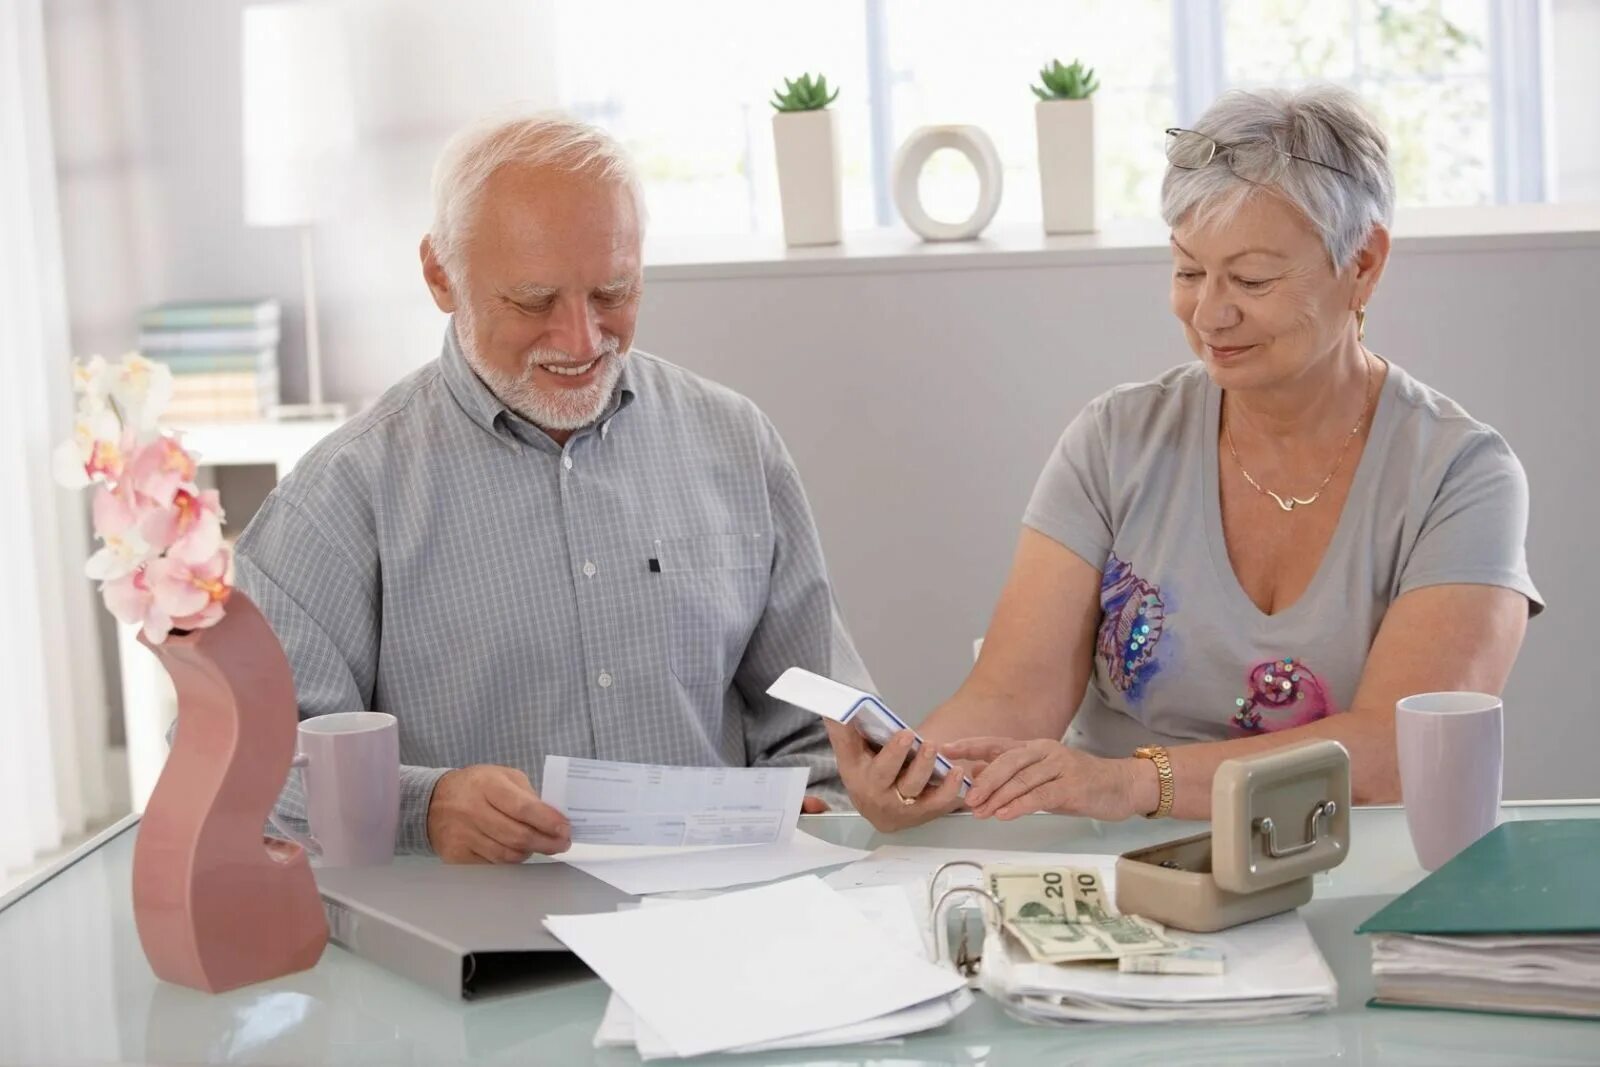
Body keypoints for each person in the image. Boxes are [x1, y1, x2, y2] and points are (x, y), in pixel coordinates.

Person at [831, 85, 1542, 830]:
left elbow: (1394, 758)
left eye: (1252, 279)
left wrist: (1135, 783)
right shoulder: (1115, 439)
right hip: (1107, 864)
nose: (1210, 313)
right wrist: (917, 769)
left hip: (1336, 864)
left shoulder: (1462, 477)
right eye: (1189, 271)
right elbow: (1013, 696)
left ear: (1363, 263)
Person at [237, 113, 868, 862]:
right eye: (534, 302)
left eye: (613, 292)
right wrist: (425, 806)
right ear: (441, 275)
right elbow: (249, 766)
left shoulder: (736, 442)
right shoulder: (341, 496)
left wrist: (827, 802)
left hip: (723, 924)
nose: (580, 340)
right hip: (478, 945)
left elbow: (816, 727)